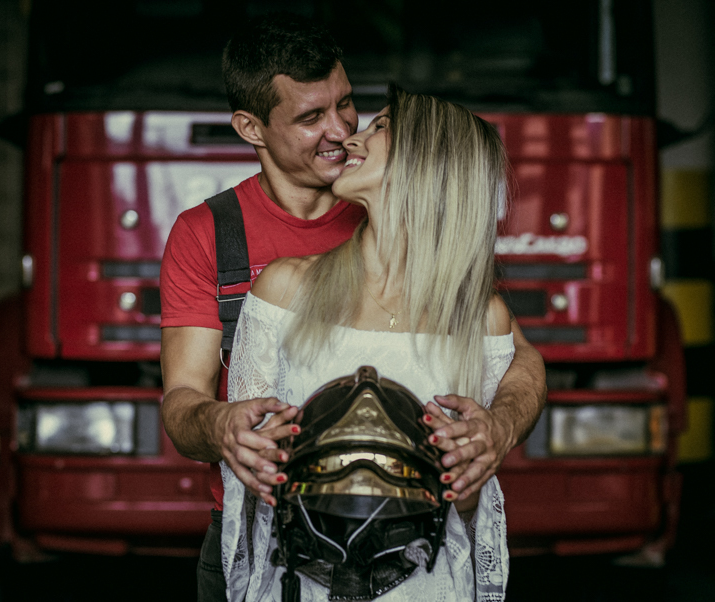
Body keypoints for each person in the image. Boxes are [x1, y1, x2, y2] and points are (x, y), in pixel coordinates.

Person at [158, 13, 546, 601]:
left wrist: (501, 424)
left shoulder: (417, 236)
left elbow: (517, 360)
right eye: (312, 117)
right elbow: (183, 400)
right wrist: (219, 422)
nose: (342, 131)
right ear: (251, 127)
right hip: (282, 545)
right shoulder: (213, 237)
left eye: (347, 105)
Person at [221, 86, 517, 601]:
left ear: (426, 164)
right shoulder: (284, 289)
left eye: (381, 128)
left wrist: (465, 472)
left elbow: (471, 504)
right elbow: (250, 481)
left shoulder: (481, 320)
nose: (352, 139)